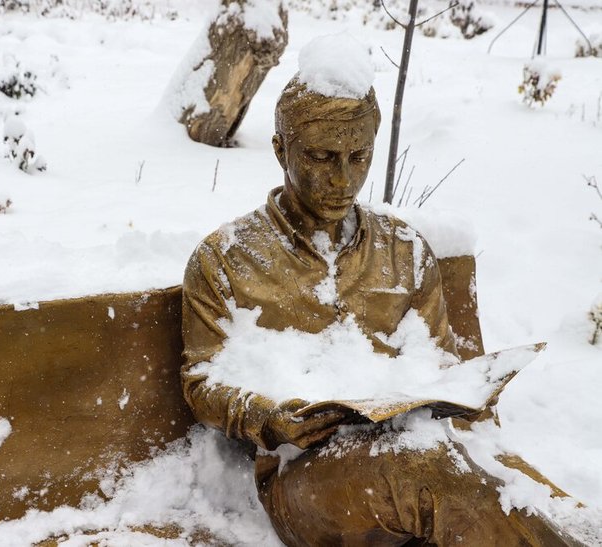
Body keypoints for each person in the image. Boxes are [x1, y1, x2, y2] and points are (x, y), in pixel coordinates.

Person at [180, 74, 576, 546]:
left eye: (359, 157)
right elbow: (203, 381)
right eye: (322, 157)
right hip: (304, 479)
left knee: (543, 499)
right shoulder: (226, 258)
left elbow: (441, 364)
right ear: (280, 149)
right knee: (429, 471)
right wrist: (270, 417)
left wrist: (455, 389)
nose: (343, 180)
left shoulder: (404, 250)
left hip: (421, 452)